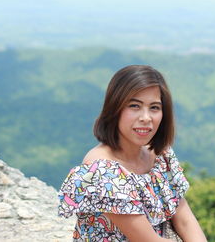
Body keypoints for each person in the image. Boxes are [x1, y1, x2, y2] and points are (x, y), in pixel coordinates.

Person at [58, 65, 207, 241]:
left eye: (154, 107)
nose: (146, 117)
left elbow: (185, 220)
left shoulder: (160, 156)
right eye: (134, 106)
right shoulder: (101, 170)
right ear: (115, 108)